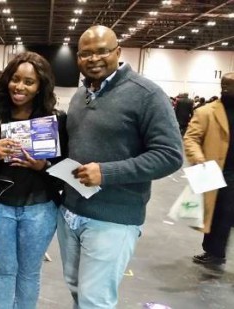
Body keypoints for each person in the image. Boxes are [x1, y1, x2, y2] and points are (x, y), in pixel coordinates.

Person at [58, 25, 183, 308]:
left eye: (102, 51)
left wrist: (106, 172)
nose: (94, 59)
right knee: (77, 291)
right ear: (78, 58)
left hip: (113, 219)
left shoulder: (147, 94)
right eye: (86, 54)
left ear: (118, 51)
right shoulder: (80, 95)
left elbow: (169, 155)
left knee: (95, 301)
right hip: (71, 213)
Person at [0, 51, 68, 308]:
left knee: (29, 273)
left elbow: (66, 167)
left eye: (29, 82)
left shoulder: (56, 120)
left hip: (40, 207)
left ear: (40, 86)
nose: (20, 87)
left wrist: (44, 165)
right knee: (3, 272)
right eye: (15, 79)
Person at [184, 72, 234, 266]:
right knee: (219, 213)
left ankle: (215, 252)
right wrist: (198, 158)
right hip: (215, 170)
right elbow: (191, 138)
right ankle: (214, 252)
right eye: (226, 86)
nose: (228, 89)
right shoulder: (206, 112)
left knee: (225, 214)